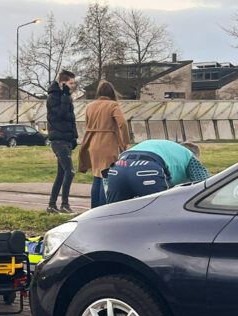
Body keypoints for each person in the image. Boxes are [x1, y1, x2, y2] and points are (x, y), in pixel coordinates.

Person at [105, 139, 210, 204]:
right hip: (148, 168)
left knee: (116, 213)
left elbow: (106, 180)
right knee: (161, 211)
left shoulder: (164, 148)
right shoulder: (189, 155)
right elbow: (206, 184)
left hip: (117, 168)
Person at [78, 80, 129, 208]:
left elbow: (88, 124)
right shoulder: (113, 105)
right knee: (106, 177)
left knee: (97, 176)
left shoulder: (90, 106)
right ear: (112, 92)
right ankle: (103, 209)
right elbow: (122, 123)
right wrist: (125, 141)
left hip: (93, 144)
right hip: (108, 144)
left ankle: (94, 209)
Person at [46, 70, 78, 214]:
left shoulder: (67, 97)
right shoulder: (54, 97)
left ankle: (52, 205)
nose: (73, 86)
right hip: (58, 140)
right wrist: (65, 96)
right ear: (62, 83)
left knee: (61, 174)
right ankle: (64, 204)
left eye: (73, 83)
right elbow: (60, 115)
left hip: (66, 139)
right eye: (71, 83)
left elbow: (71, 120)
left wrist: (74, 137)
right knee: (69, 171)